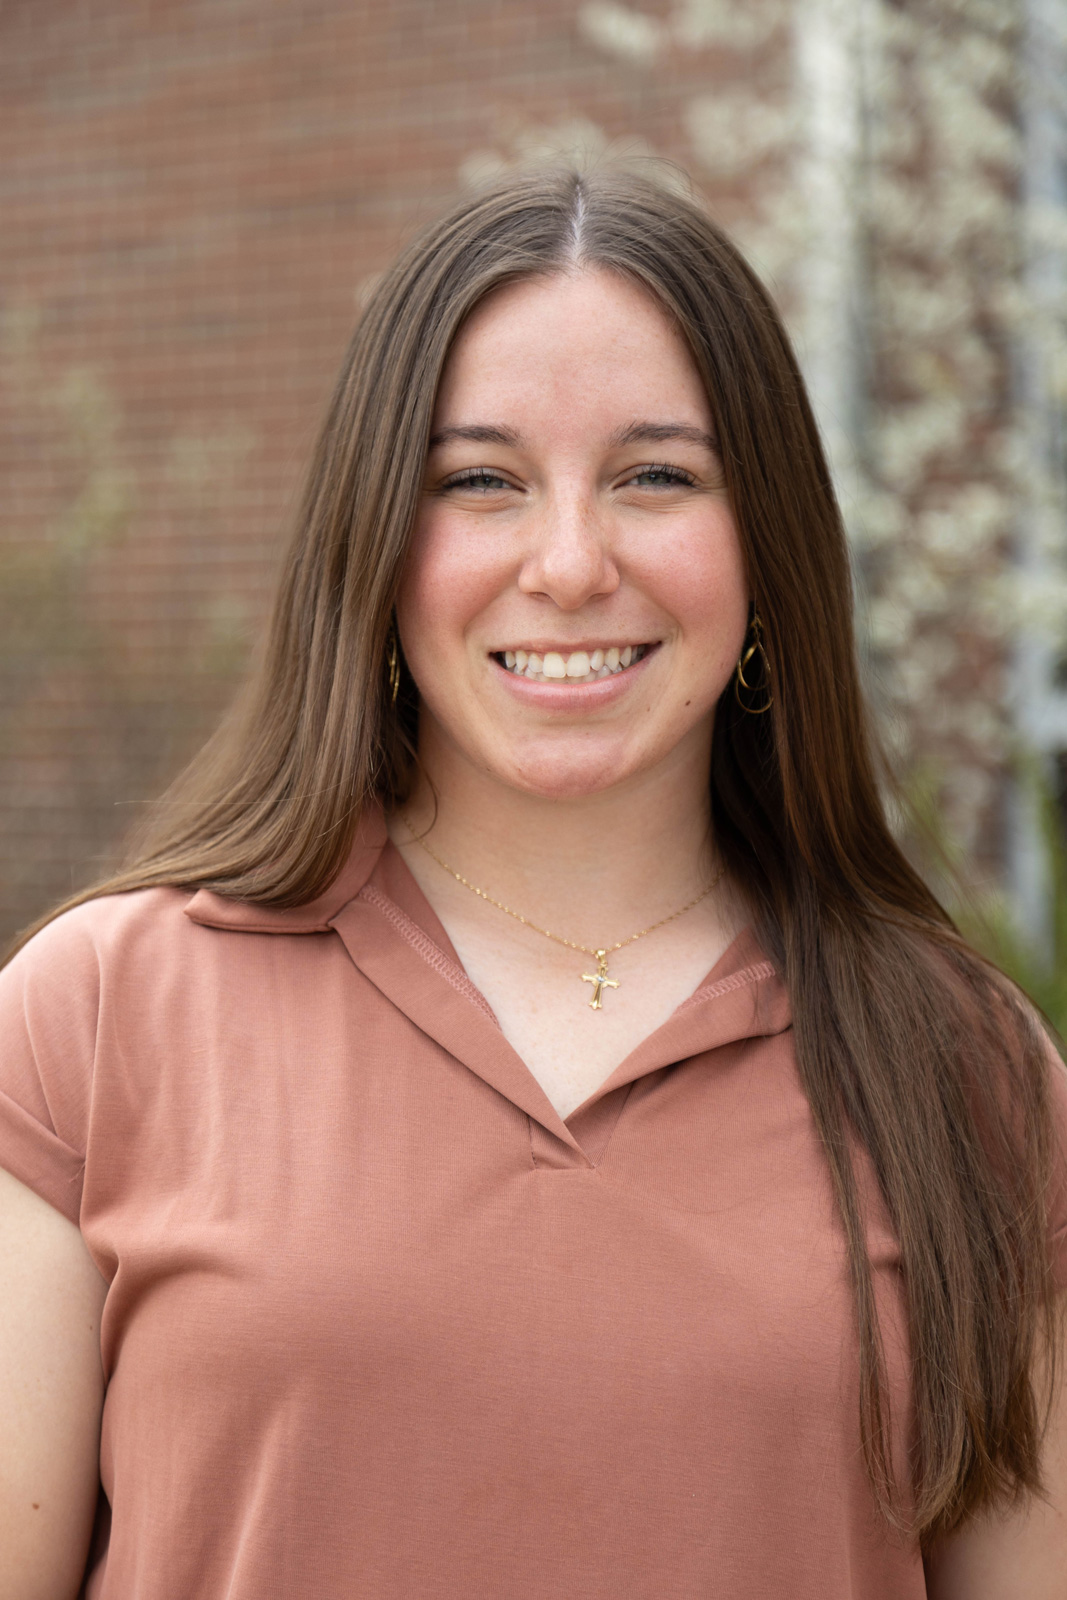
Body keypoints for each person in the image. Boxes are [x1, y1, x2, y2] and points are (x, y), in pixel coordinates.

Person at [0, 166, 1064, 1600]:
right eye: (480, 481)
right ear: (376, 544)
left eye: (658, 476)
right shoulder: (94, 1017)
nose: (570, 565)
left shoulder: (967, 1069)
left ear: (768, 553)